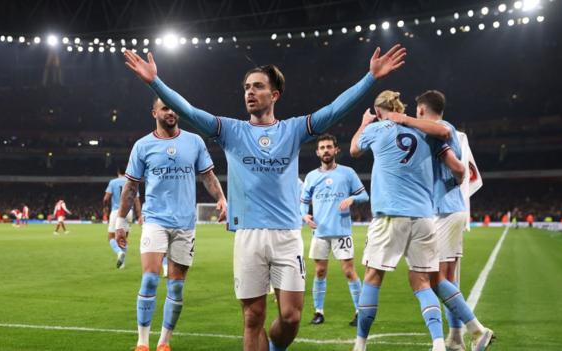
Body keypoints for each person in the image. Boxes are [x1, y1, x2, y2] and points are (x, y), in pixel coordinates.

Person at [124, 44, 406, 351]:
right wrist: (155, 81)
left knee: (291, 316)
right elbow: (190, 112)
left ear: (275, 95)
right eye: (246, 87)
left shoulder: (294, 129)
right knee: (253, 316)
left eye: (258, 86)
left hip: (286, 234)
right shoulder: (230, 130)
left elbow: (334, 110)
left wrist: (370, 78)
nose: (250, 92)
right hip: (248, 234)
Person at [349, 90, 464, 351]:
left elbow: (354, 149)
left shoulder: (377, 129)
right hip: (424, 216)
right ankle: (438, 343)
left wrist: (364, 123)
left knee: (372, 277)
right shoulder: (427, 130)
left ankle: (360, 345)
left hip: (390, 215)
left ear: (379, 111)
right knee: (423, 282)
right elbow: (446, 139)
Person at [115, 97, 227, 351]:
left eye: (173, 108)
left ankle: (164, 343)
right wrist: (121, 222)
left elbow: (208, 176)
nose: (171, 111)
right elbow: (131, 186)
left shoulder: (194, 141)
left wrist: (221, 198)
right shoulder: (143, 146)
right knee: (150, 279)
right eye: (165, 107)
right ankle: (142, 343)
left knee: (176, 287)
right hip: (155, 220)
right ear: (153, 111)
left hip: (185, 224)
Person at [388, 90, 494, 351]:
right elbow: (459, 171)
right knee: (444, 278)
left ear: (422, 110)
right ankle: (456, 339)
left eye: (415, 112)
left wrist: (402, 120)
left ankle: (477, 330)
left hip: (445, 211)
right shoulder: (437, 132)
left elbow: (459, 168)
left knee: (434, 278)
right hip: (448, 209)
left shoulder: (442, 129)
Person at [300, 133, 368, 326]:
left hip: (342, 231)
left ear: (336, 150)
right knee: (320, 272)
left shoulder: (347, 173)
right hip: (320, 232)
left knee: (349, 271)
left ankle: (360, 311)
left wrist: (352, 198)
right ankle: (318, 312)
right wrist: (305, 216)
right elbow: (303, 203)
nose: (326, 150)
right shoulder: (312, 177)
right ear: (317, 152)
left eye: (329, 147)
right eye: (322, 148)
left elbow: (365, 195)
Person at [103, 167, 142, 268]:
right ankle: (122, 264)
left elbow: (106, 198)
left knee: (111, 237)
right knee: (124, 238)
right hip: (129, 212)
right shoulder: (132, 182)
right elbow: (137, 200)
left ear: (118, 172)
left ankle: (119, 252)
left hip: (117, 211)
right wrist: (139, 215)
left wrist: (105, 208)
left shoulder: (113, 182)